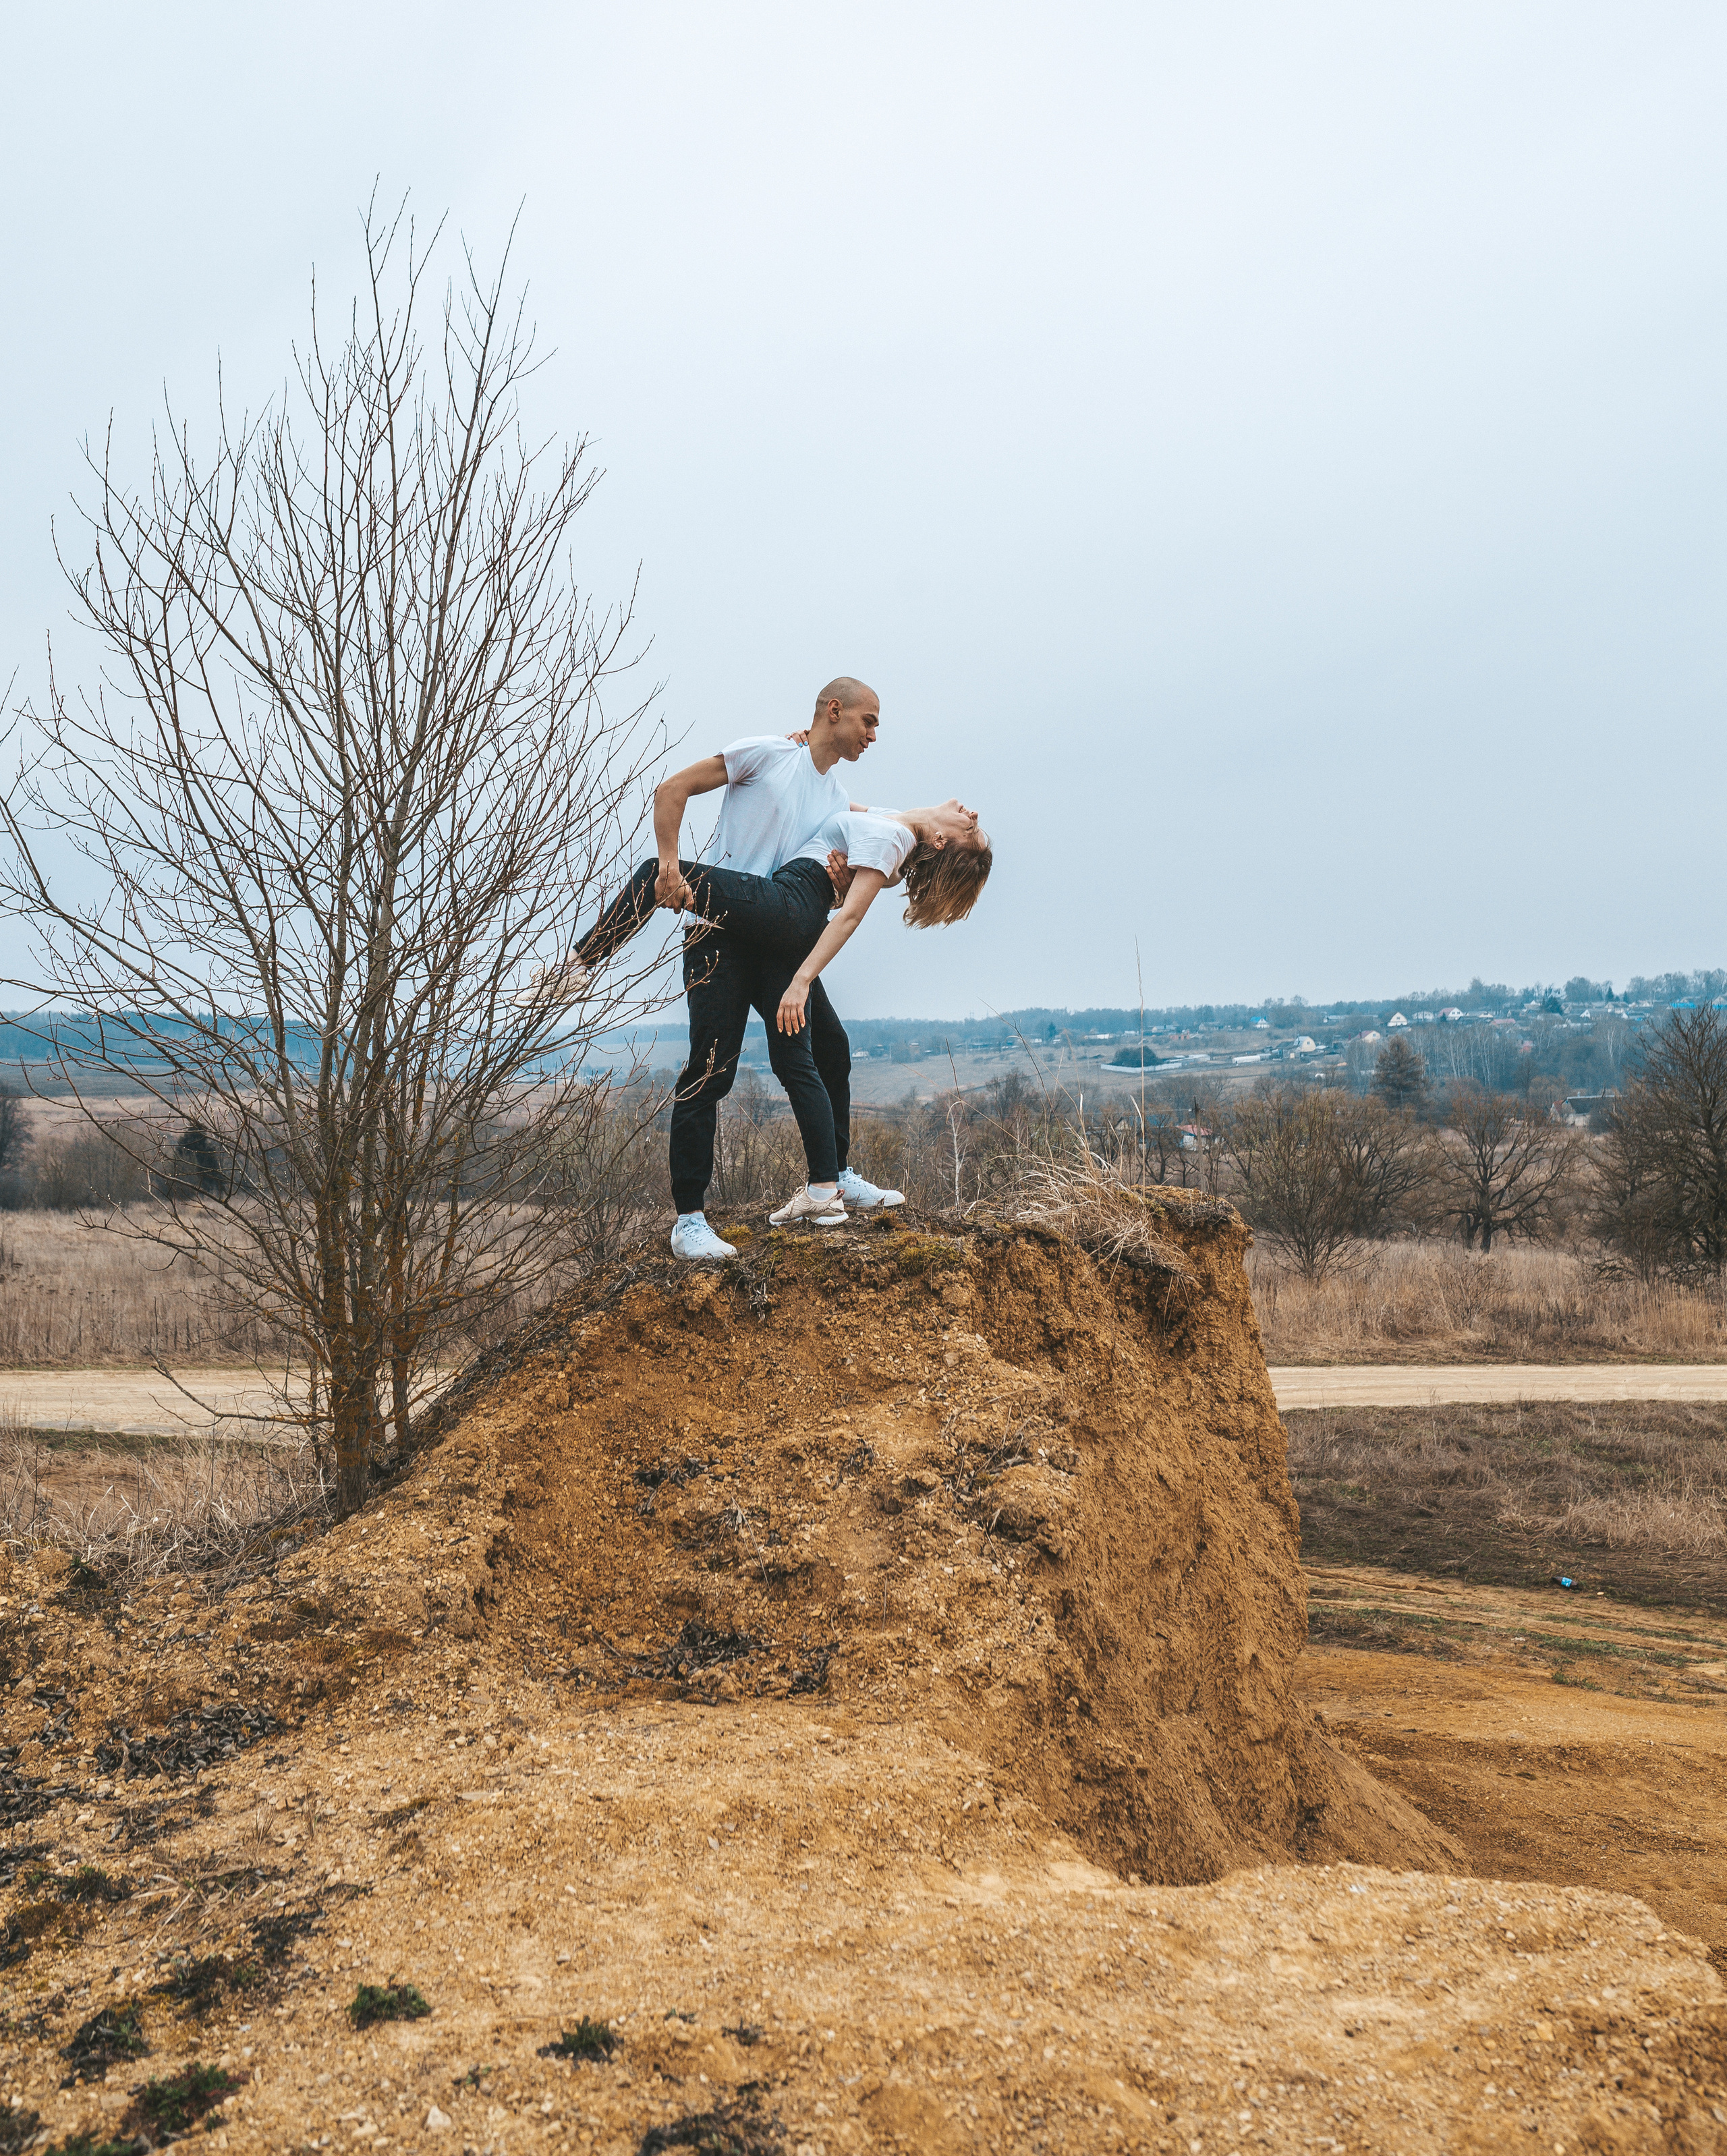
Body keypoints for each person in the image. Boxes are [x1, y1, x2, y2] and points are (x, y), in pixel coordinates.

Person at [523, 679, 886, 1258]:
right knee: (709, 1072)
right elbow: (673, 788)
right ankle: (689, 1221)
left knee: (829, 1048)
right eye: (868, 722)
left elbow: (848, 860)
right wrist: (670, 865)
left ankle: (835, 1177)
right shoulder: (769, 753)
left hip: (773, 940)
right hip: (716, 935)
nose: (873, 736)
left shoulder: (838, 801)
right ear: (834, 711)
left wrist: (841, 883)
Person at [559, 798, 991, 1252]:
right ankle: (826, 1185)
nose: (975, 813)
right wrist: (806, 744)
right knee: (821, 1050)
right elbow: (830, 796)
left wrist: (803, 981)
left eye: (972, 829)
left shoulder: (893, 839)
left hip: (790, 909)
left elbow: (849, 916)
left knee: (655, 873)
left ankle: (577, 965)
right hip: (783, 930)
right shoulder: (891, 823)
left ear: (941, 841)